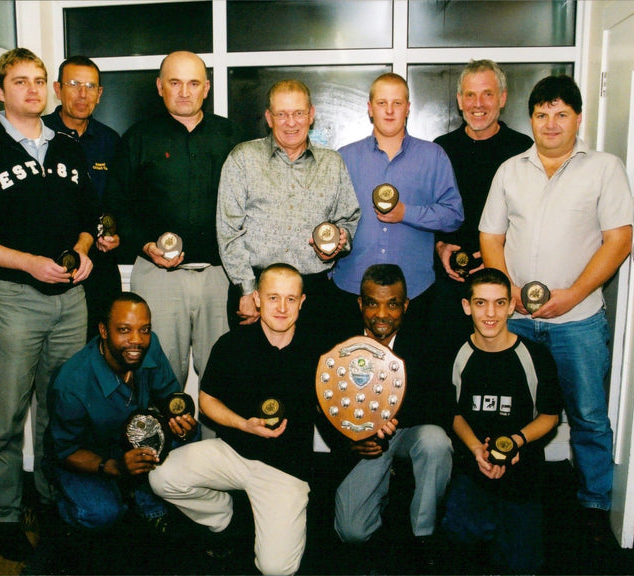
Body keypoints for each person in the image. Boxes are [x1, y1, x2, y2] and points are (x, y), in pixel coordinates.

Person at [0, 48, 101, 561]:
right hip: (14, 298)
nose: (33, 90)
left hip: (69, 300)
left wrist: (81, 251)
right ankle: (4, 514)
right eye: (20, 82)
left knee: (61, 409)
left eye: (39, 81)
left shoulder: (68, 148)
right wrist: (27, 263)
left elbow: (86, 219)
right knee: (8, 415)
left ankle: (54, 500)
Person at [480, 75, 633, 541]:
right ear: (530, 118)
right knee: (512, 412)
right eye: (542, 114)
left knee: (586, 413)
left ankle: (593, 505)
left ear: (578, 118)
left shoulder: (605, 168)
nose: (550, 123)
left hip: (578, 320)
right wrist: (505, 287)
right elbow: (491, 235)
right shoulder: (510, 170)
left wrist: (573, 294)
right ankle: (510, 493)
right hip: (520, 321)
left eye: (561, 114)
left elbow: (619, 240)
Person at [149, 264, 319, 575]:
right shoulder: (232, 343)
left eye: (291, 299)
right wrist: (243, 424)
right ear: (257, 299)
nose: (282, 308)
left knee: (276, 569)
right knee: (162, 476)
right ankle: (223, 517)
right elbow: (207, 400)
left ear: (302, 302)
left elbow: (341, 402)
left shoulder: (319, 350)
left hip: (285, 470)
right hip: (233, 454)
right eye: (273, 298)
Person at [105, 51, 241, 389]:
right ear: (160, 87)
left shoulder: (232, 138)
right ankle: (159, 444)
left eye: (193, 83)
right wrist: (146, 244)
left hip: (219, 277)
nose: (184, 92)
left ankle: (216, 445)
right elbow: (115, 205)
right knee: (157, 380)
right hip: (158, 279)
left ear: (206, 88)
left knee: (222, 380)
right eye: (175, 82)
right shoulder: (137, 138)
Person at [328, 264, 453, 566]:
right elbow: (325, 404)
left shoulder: (425, 340)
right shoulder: (342, 345)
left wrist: (393, 417)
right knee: (351, 531)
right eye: (372, 303)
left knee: (436, 442)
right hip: (364, 444)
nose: (382, 314)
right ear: (360, 304)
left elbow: (441, 404)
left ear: (405, 305)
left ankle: (423, 533)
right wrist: (350, 441)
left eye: (392, 304)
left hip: (408, 432)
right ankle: (383, 514)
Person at [216, 80, 361, 336]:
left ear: (311, 115)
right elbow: (228, 230)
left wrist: (338, 243)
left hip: (313, 293)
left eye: (298, 113)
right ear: (269, 118)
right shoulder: (243, 159)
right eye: (282, 114)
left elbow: (348, 218)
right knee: (254, 373)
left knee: (311, 374)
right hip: (256, 292)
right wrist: (248, 290)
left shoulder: (332, 163)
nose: (291, 122)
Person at [442, 268, 562, 573]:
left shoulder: (535, 356)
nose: (490, 313)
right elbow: (452, 412)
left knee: (523, 563)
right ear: (467, 306)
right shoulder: (455, 354)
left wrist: (516, 442)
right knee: (460, 536)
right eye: (481, 303)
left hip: (523, 465)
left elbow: (549, 416)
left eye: (499, 303)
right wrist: (475, 450)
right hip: (473, 462)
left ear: (511, 306)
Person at [46, 292, 197, 532]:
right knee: (101, 514)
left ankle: (142, 495)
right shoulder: (71, 383)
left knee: (190, 437)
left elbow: (170, 397)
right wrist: (116, 467)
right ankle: (64, 502)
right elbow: (66, 451)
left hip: (132, 440)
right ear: (104, 331)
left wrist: (179, 421)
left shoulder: (151, 346)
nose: (137, 340)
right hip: (88, 456)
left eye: (144, 329)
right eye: (124, 330)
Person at [330, 73, 463, 335]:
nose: (389, 111)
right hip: (351, 289)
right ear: (370, 108)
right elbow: (329, 219)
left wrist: (407, 213)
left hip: (413, 293)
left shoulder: (433, 156)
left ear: (408, 108)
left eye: (397, 103)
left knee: (410, 372)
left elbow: (453, 215)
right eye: (381, 103)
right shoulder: (343, 158)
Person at [431, 60, 533, 359]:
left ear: (502, 98)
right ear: (460, 100)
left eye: (487, 94)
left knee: (498, 369)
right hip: (449, 284)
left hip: (502, 285)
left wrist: (497, 262)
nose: (478, 104)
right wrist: (438, 247)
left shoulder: (523, 150)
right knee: (444, 367)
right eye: (470, 95)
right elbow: (427, 211)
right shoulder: (440, 149)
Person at [43, 55, 122, 342]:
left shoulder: (110, 141)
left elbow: (118, 199)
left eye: (90, 87)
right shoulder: (39, 134)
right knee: (61, 359)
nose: (82, 94)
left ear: (99, 94)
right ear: (57, 88)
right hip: (52, 265)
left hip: (99, 263)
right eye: (74, 84)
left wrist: (115, 234)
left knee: (104, 346)